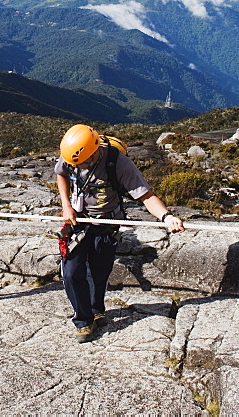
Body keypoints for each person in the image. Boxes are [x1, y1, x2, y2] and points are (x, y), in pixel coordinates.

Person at [55, 124, 185, 343]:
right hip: (78, 221)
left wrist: (166, 217)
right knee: (71, 271)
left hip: (106, 224)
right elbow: (61, 174)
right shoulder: (72, 155)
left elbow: (146, 197)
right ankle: (84, 320)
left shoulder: (119, 164)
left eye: (84, 163)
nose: (78, 166)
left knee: (100, 271)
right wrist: (66, 205)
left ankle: (97, 309)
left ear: (95, 152)